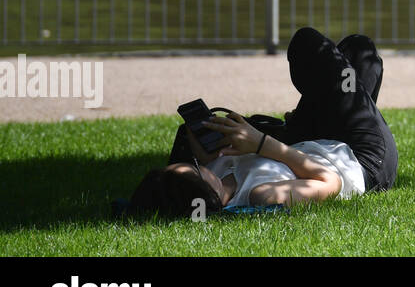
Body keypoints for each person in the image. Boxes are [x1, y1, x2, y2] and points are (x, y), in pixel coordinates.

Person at [126, 27, 398, 218]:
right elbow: (331, 182)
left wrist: (209, 153)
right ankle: (353, 114)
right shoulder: (263, 195)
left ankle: (347, 110)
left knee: (357, 52)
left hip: (315, 141)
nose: (198, 164)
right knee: (311, 44)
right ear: (206, 194)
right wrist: (261, 143)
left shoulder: (216, 172)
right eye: (195, 169)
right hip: (359, 160)